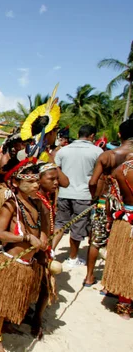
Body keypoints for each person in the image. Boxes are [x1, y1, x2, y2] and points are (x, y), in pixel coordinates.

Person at [0, 159, 46, 352]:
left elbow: (42, 229)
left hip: (27, 264)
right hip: (10, 262)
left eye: (36, 181)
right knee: (0, 306)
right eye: (29, 182)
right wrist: (25, 238)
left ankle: (7, 326)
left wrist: (43, 240)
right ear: (15, 182)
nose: (36, 185)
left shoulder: (37, 204)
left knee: (14, 302)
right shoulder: (10, 205)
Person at [84, 118, 133, 287]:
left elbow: (93, 182)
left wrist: (94, 198)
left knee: (96, 240)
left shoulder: (107, 155)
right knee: (122, 245)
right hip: (128, 209)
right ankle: (115, 281)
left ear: (120, 134)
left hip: (105, 203)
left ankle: (89, 276)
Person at [53, 124, 103, 266]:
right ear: (92, 136)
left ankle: (51, 250)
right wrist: (95, 196)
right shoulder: (97, 151)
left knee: (60, 224)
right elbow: (97, 178)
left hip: (64, 192)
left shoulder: (64, 150)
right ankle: (73, 258)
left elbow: (56, 170)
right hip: (84, 195)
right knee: (78, 227)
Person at [31, 161, 66, 338]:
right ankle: (35, 319)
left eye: (56, 179)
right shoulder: (36, 199)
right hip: (35, 249)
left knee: (44, 285)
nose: (55, 182)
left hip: (44, 248)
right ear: (39, 179)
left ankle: (36, 317)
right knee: (43, 285)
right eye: (51, 179)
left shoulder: (47, 197)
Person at [102, 156, 133, 319]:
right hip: (128, 221)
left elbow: (110, 198)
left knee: (125, 262)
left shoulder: (120, 170)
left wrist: (109, 218)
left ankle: (124, 304)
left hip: (124, 221)